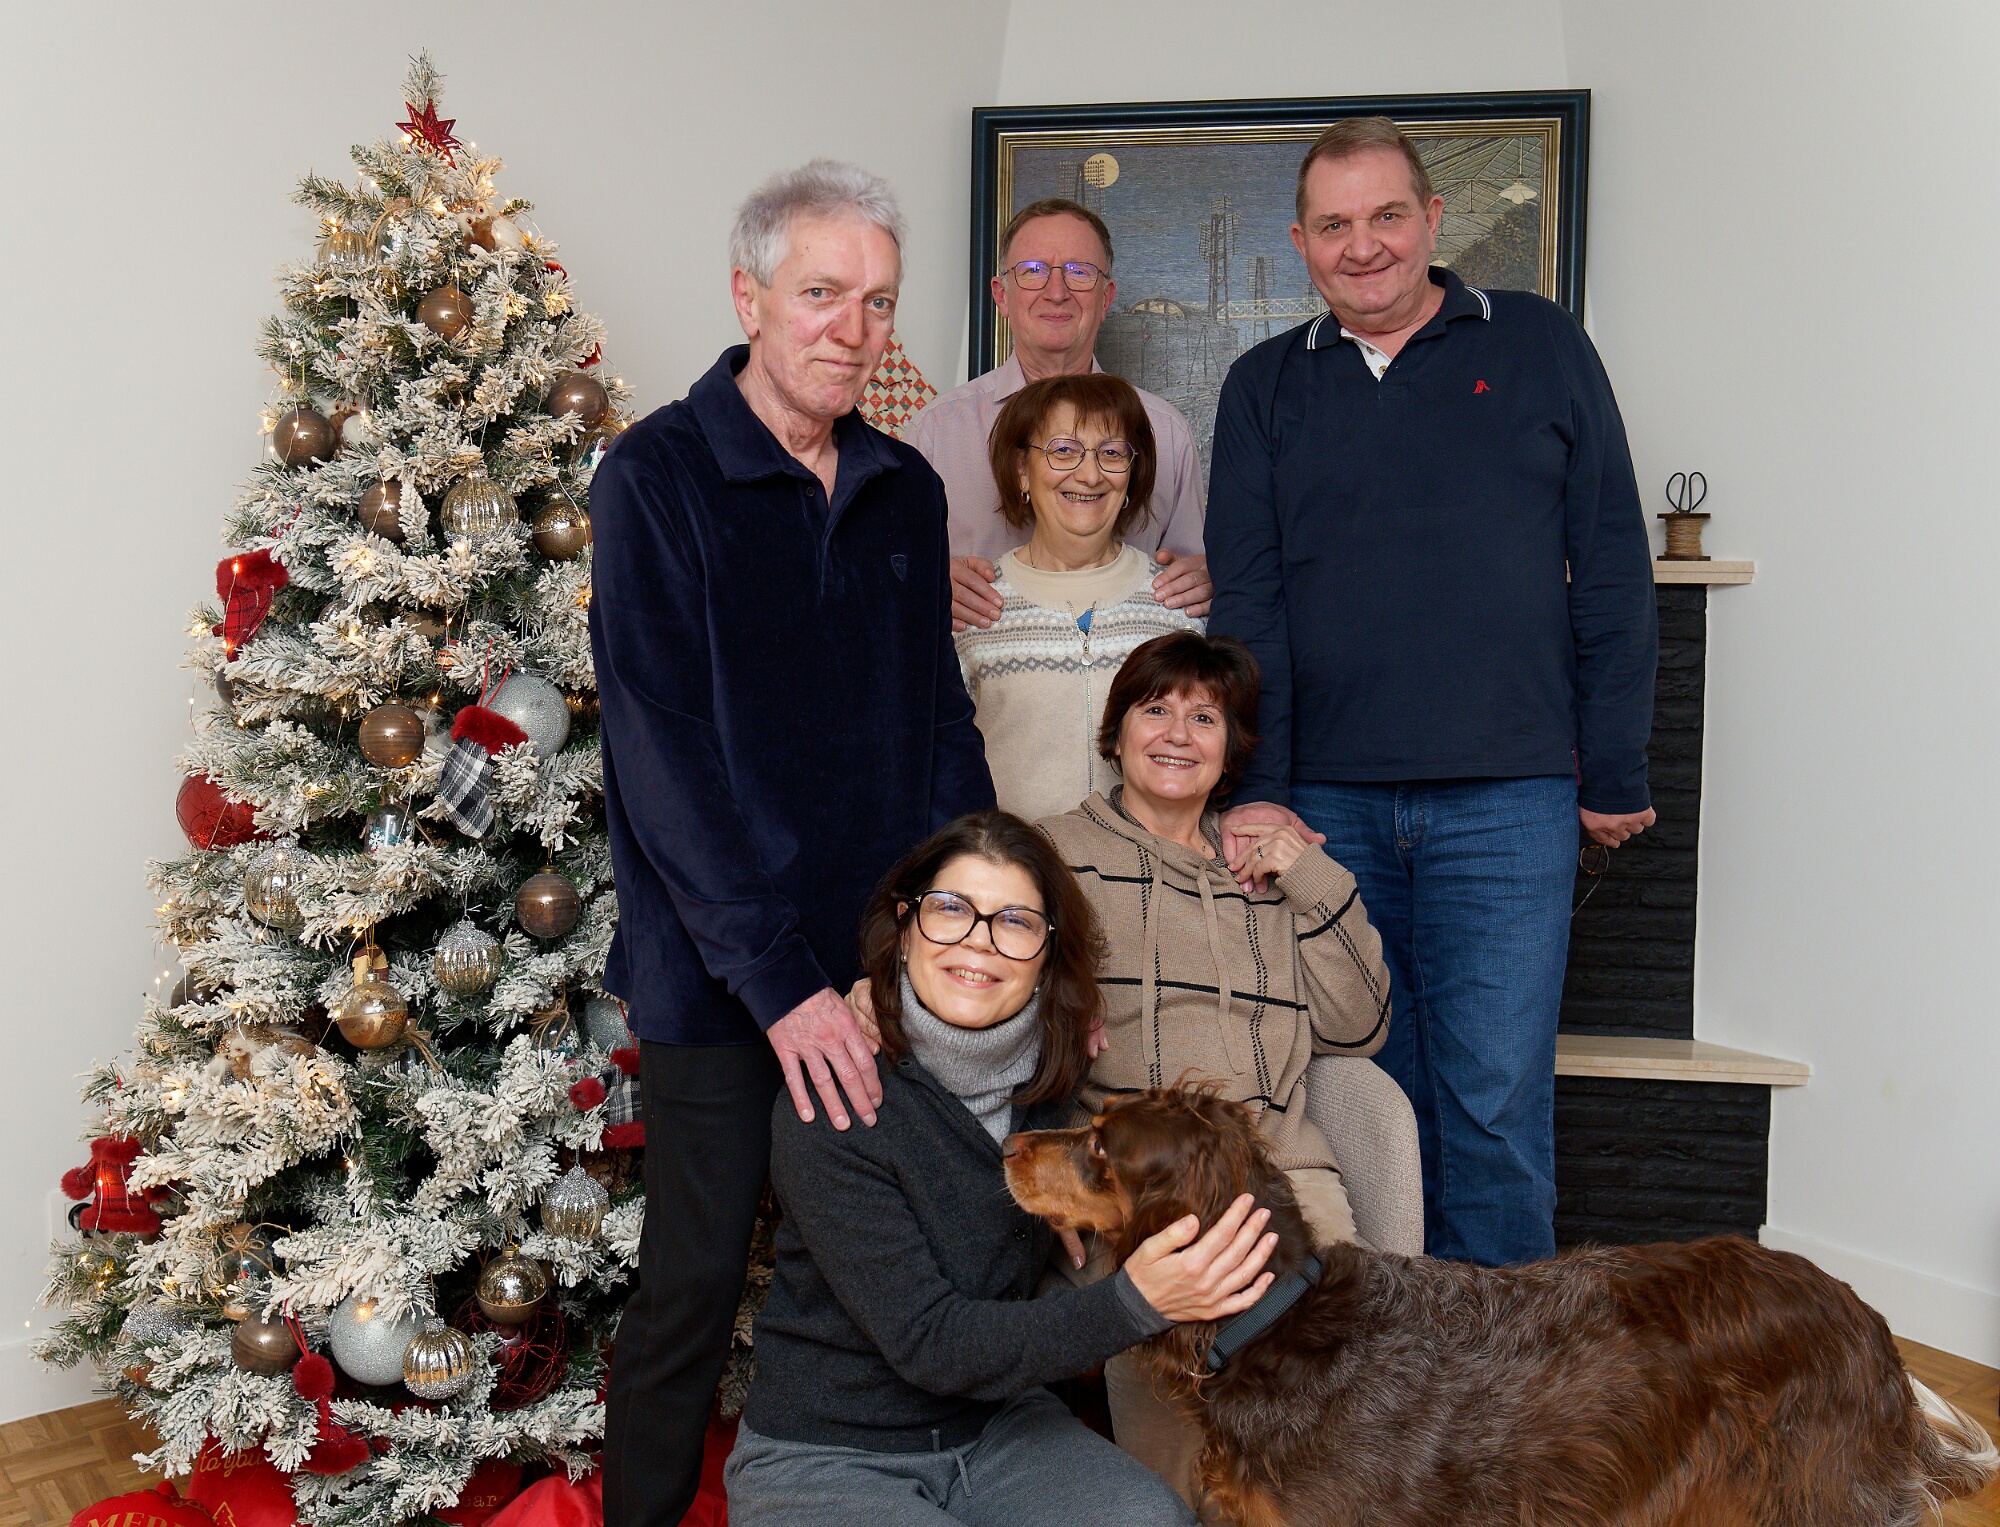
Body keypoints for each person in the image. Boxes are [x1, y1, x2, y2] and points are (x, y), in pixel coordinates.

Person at [589, 160, 995, 1527]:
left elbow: (940, 727)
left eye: (877, 301)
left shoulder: (903, 485)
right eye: (823, 293)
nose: (853, 329)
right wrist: (779, 986)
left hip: (881, 974)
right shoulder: (654, 475)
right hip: (720, 982)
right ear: (748, 295)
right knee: (693, 1286)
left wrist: (969, 922)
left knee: (904, 1263)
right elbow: (663, 761)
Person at [1207, 117, 1658, 1267]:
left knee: (1493, 1109)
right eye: (1332, 225)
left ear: (1433, 219)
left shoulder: (1540, 344)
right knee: (1368, 1103)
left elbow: (1611, 563)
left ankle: (1504, 1367)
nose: (1361, 246)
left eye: (1385, 216)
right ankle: (1391, 1359)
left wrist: (1611, 766)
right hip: (1326, 813)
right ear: (1300, 243)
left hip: (1507, 803)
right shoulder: (1263, 386)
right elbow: (1248, 606)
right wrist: (1256, 790)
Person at [726, 812, 1278, 1526]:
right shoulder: (834, 1098)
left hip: (995, 1428)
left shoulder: (1055, 1072)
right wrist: (1138, 1300)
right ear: (906, 925)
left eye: (1014, 922)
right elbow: (932, 1343)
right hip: (828, 1451)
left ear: (1048, 952)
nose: (979, 942)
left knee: (1151, 1518)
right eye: (950, 909)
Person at [1036, 631, 1392, 1506]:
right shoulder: (1056, 855)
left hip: (1283, 1175)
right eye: (1155, 709)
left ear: (1231, 748)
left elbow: (1361, 1026)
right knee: (1178, 1461)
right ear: (1117, 730)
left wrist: (1309, 874)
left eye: (1205, 717)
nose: (1177, 733)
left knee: (1325, 1442)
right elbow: (995, 1011)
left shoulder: (1262, 866)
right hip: (1143, 1181)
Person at [908, 197, 1212, 631]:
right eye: (1033, 271)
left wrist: (1211, 578)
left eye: (1079, 272)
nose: (1056, 291)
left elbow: (1191, 588)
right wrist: (922, 581)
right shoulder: (935, 433)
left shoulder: (1166, 434)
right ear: (1001, 295)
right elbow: (889, 576)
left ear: (1106, 298)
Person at [954, 372, 1203, 823]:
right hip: (1014, 863)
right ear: (1022, 470)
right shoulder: (972, 608)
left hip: (1149, 866)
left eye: (1112, 453)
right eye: (1063, 450)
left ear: (1132, 474)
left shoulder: (1179, 608)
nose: (1089, 475)